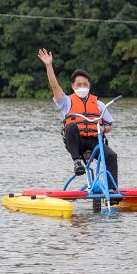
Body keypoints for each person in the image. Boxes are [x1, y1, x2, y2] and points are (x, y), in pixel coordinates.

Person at [37, 48, 119, 186]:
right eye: (79, 84)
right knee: (70, 126)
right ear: (73, 86)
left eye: (85, 84)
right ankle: (77, 162)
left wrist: (102, 129)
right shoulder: (66, 101)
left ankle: (112, 190)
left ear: (89, 85)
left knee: (111, 156)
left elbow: (109, 126)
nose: (82, 87)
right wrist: (48, 65)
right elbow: (54, 86)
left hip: (94, 141)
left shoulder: (99, 104)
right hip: (77, 143)